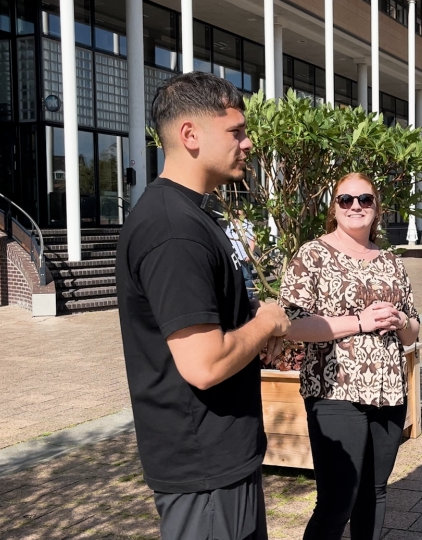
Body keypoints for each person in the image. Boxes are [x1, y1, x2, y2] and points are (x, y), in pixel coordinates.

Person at [116, 72, 291, 540]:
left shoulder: (196, 214)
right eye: (235, 132)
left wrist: (255, 330)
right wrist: (269, 320)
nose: (248, 143)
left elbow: (219, 321)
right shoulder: (174, 229)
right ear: (189, 134)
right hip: (202, 466)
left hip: (224, 456)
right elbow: (205, 365)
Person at [278, 172, 421, 540]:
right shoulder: (313, 254)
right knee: (338, 499)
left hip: (388, 391)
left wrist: (402, 318)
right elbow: (291, 324)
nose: (355, 206)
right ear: (335, 207)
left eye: (364, 199)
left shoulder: (390, 260)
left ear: (376, 208)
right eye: (346, 199)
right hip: (334, 390)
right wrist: (359, 321)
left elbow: (414, 327)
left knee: (374, 494)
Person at [227, 209, 257, 297]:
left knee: (247, 277)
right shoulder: (231, 225)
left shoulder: (248, 225)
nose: (236, 216)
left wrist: (250, 254)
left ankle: (249, 297)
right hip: (234, 257)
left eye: (238, 214)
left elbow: (253, 239)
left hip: (244, 256)